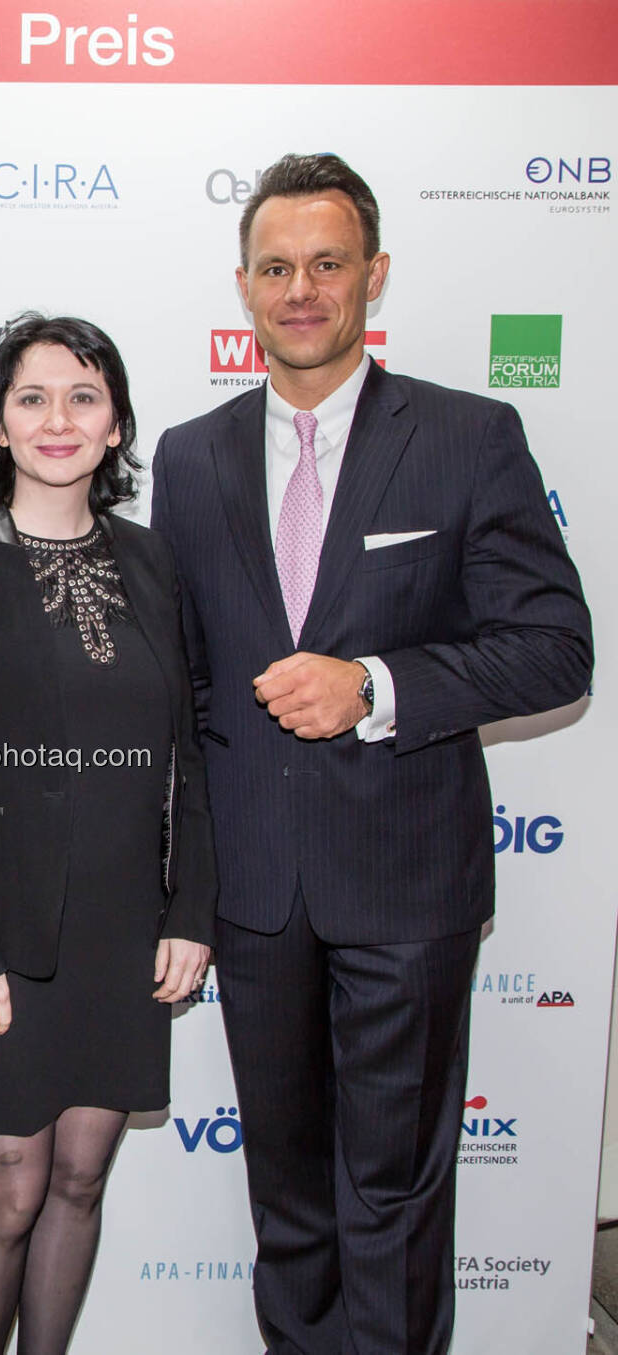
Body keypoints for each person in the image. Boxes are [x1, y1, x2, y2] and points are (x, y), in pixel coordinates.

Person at [150, 153, 593, 1354]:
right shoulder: (188, 458)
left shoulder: (468, 434)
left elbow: (556, 649)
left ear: (373, 275)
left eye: (328, 263)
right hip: (255, 887)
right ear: (242, 285)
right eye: (278, 266)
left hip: (406, 879)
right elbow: (183, 681)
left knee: (392, 1196)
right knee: (287, 1198)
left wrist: (377, 685)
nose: (303, 289)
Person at [0, 314, 217, 1355]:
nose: (58, 419)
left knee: (80, 1177)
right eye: (31, 397)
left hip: (125, 932)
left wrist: (191, 908)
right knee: (8, 1193)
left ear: (116, 424)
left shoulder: (157, 563)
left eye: (83, 396)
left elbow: (190, 750)